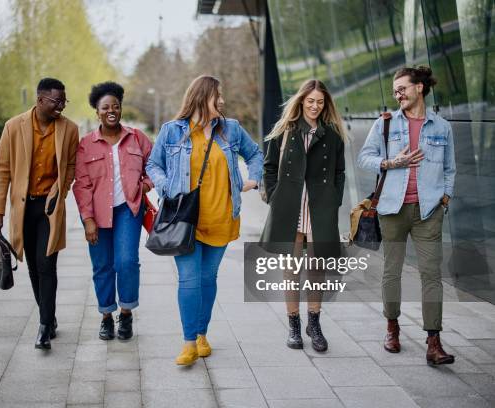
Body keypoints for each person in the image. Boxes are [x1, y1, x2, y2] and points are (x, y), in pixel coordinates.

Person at [146, 75, 263, 365]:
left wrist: (253, 180)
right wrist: (166, 187)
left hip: (222, 218)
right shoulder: (172, 131)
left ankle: (201, 334)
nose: (222, 100)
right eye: (217, 95)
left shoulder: (231, 130)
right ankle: (188, 343)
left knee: (208, 278)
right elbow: (153, 164)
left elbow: (256, 154)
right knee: (189, 279)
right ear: (202, 97)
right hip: (185, 220)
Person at [357, 66, 456, 365]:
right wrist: (391, 162)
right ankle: (392, 327)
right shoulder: (385, 124)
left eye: (402, 88)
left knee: (432, 274)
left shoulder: (442, 127)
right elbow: (365, 158)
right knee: (392, 272)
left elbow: (450, 168)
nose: (397, 93)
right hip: (392, 210)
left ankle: (433, 341)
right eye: (394, 90)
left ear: (420, 88)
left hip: (428, 211)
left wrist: (445, 198)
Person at [0, 78, 79, 350]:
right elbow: (2, 170)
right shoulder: (13, 127)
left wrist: (59, 193)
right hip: (23, 208)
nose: (61, 106)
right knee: (32, 266)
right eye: (56, 101)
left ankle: (43, 327)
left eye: (64, 101)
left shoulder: (69, 129)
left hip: (49, 209)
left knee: (46, 264)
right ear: (40, 100)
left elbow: (71, 167)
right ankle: (49, 317)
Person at [260, 79, 346, 352]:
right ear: (301, 102)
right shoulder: (285, 131)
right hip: (291, 209)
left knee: (318, 269)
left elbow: (339, 172)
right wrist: (275, 197)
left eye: (320, 102)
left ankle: (315, 324)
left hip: (319, 208)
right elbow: (269, 166)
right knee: (292, 270)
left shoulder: (332, 135)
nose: (315, 106)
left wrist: (334, 201)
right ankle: (294, 326)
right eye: (310, 101)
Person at [73, 81, 153, 341]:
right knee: (103, 265)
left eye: (115, 106)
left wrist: (145, 186)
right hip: (97, 214)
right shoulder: (86, 144)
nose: (111, 111)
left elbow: (155, 166)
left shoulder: (137, 137)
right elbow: (82, 185)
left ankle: (126, 313)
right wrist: (87, 220)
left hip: (129, 210)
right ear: (96, 112)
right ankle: (107, 316)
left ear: (120, 109)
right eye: (105, 107)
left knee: (126, 261)